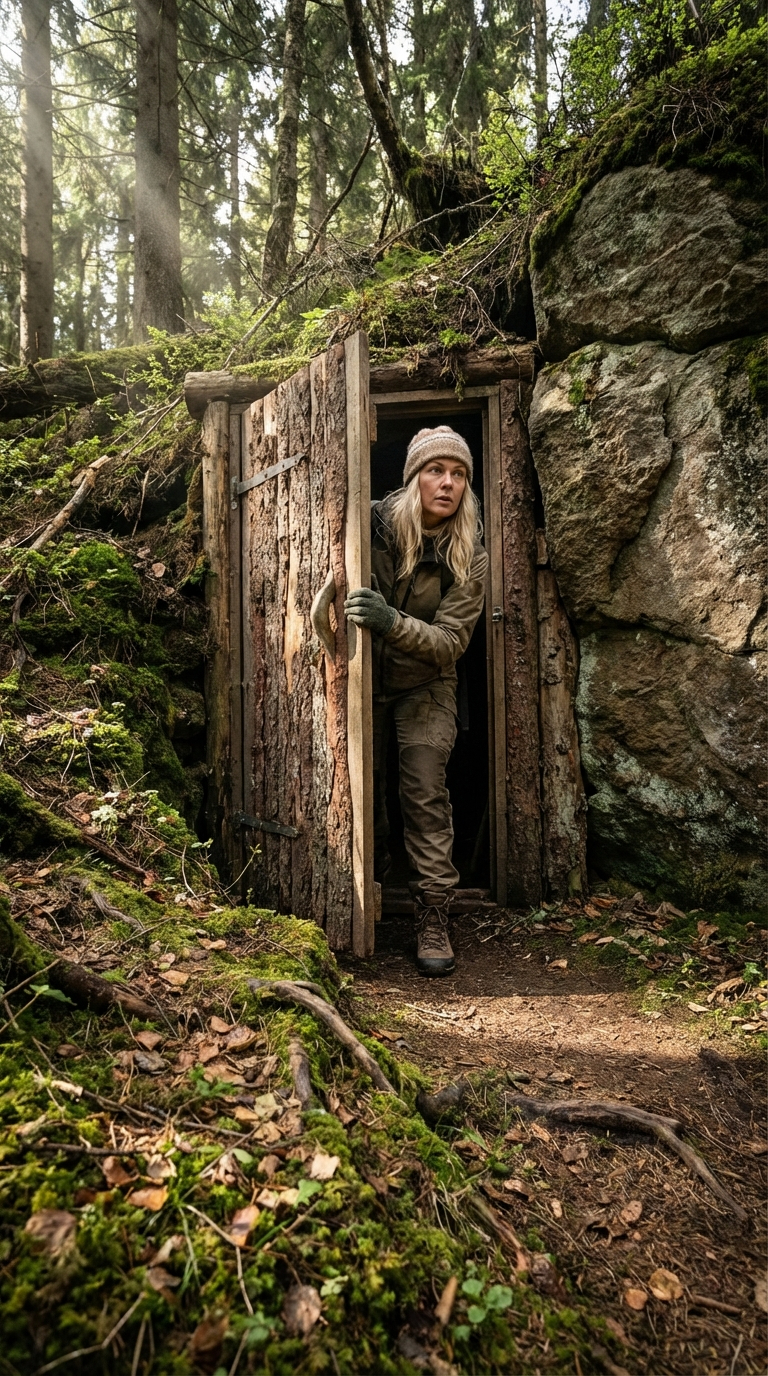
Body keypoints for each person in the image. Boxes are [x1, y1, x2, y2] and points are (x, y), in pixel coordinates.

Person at [344, 425, 488, 976]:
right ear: (412, 479)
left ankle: (433, 914)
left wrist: (389, 620)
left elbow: (451, 642)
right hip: (361, 677)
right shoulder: (370, 523)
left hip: (429, 683)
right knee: (362, 790)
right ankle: (364, 903)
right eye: (435, 470)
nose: (446, 483)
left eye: (457, 474)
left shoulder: (470, 553)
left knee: (424, 789)